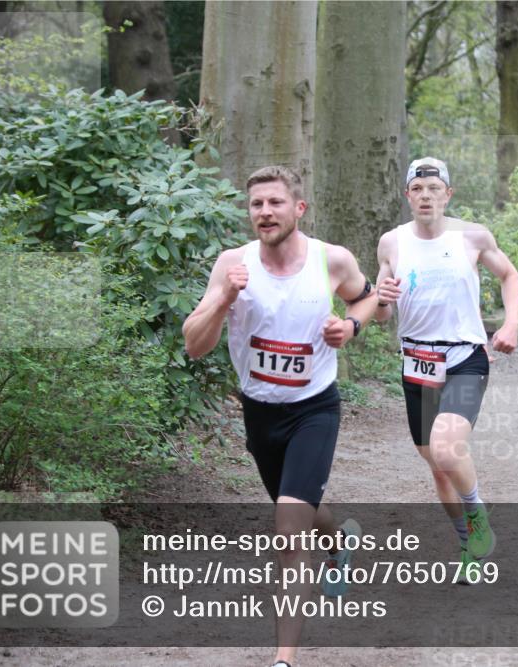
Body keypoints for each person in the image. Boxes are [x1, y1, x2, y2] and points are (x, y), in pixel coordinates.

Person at [183, 165, 377, 667]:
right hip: (260, 414)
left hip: (314, 409)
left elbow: (368, 296)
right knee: (305, 512)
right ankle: (340, 542)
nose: (265, 213)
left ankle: (283, 659)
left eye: (274, 203)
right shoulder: (232, 264)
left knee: (288, 531)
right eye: (256, 205)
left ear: (298, 208)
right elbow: (194, 345)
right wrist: (224, 298)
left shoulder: (331, 260)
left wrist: (351, 326)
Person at [374, 157, 518, 575]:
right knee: (438, 467)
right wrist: (381, 299)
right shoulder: (391, 243)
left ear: (448, 194)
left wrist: (510, 323)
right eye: (418, 189)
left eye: (434, 188)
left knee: (445, 447)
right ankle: (467, 547)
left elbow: (509, 275)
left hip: (464, 357)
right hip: (416, 363)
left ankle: (477, 514)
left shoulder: (472, 237)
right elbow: (383, 313)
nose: (426, 196)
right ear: (407, 195)